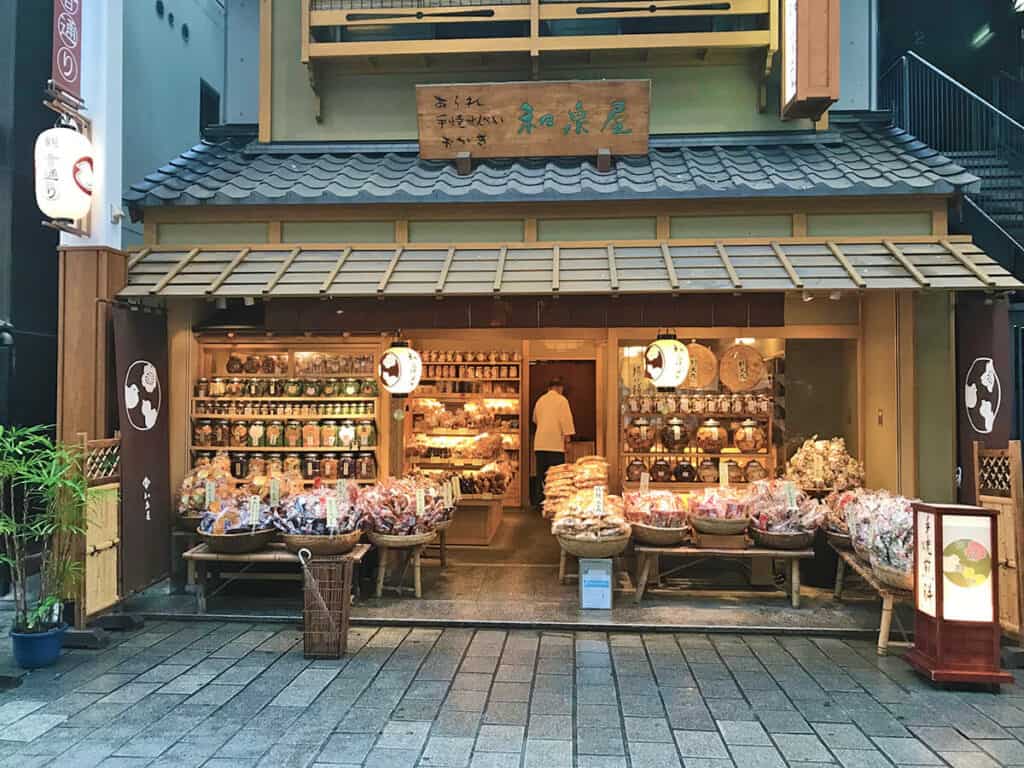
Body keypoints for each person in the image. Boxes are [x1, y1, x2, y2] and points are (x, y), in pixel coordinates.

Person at [533, 377, 575, 504]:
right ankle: (555, 502)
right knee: (556, 477)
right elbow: (566, 422)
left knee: (542, 474)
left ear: (549, 388)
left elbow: (535, 419)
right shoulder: (562, 400)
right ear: (560, 388)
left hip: (540, 444)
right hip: (555, 445)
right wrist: (568, 441)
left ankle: (540, 502)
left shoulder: (540, 400)